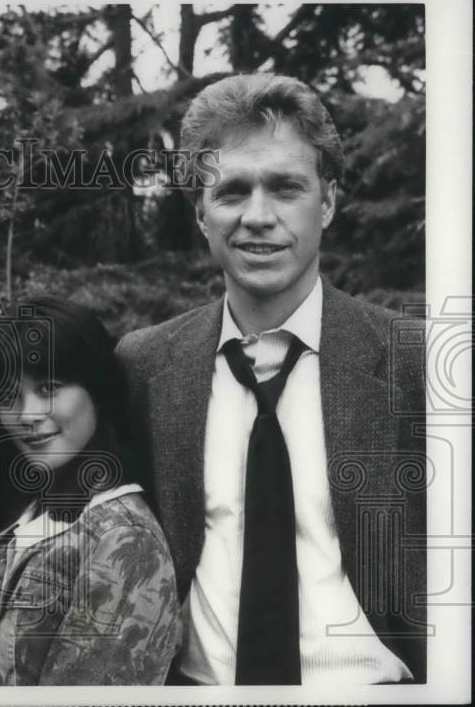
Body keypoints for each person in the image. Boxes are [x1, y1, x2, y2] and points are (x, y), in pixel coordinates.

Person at [116, 73, 426, 685]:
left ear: (328, 201)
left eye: (286, 188)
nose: (258, 217)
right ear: (200, 212)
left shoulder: (416, 361)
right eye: (231, 191)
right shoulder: (144, 366)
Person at [0, 296, 181, 686]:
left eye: (49, 387)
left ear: (97, 391)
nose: (27, 414)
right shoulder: (17, 512)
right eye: (9, 395)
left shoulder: (123, 540)